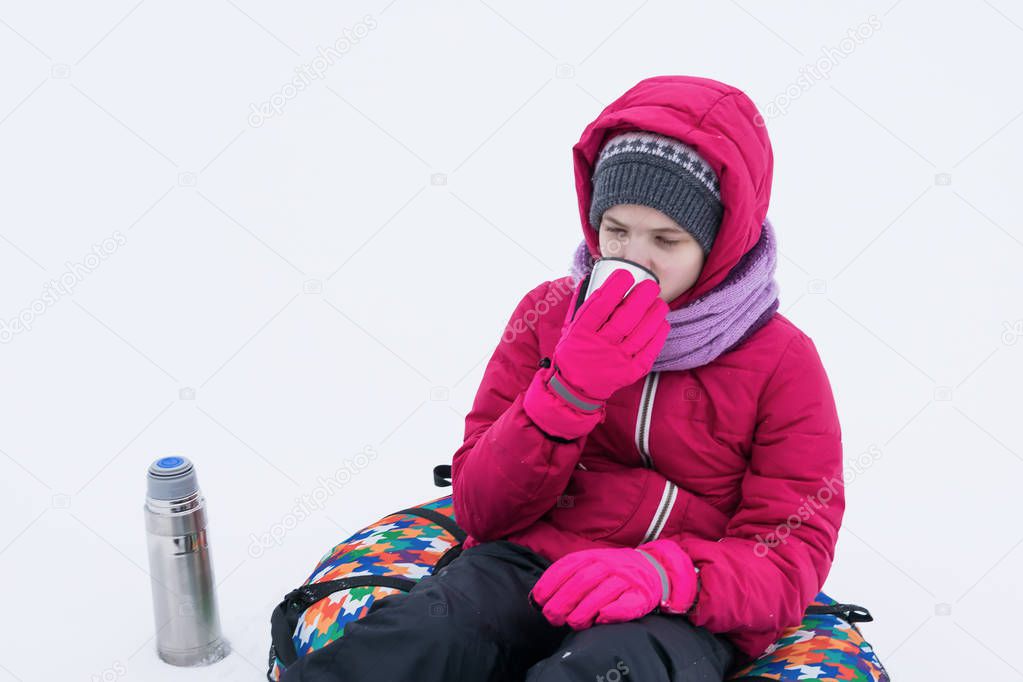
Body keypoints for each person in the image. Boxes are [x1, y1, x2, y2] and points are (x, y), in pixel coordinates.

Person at [280, 74, 845, 682]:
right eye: (616, 230)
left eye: (667, 239)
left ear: (720, 243)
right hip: (530, 563)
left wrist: (666, 575)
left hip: (680, 608)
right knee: (427, 637)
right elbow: (480, 507)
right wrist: (567, 392)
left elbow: (790, 551)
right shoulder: (548, 314)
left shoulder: (782, 361)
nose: (634, 257)